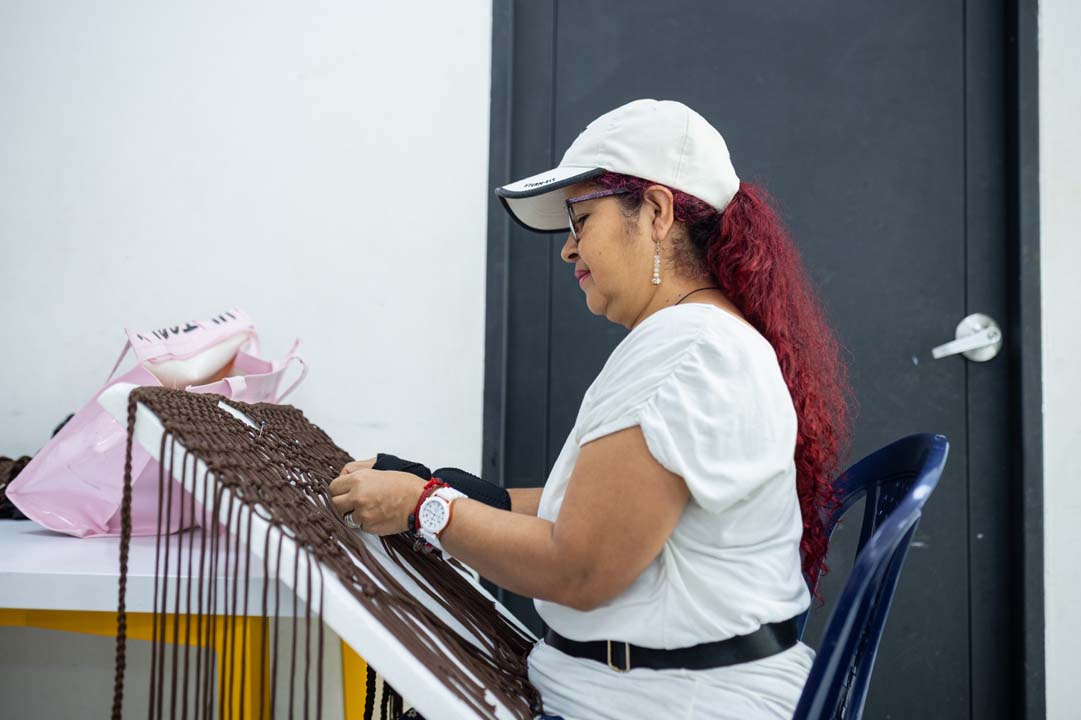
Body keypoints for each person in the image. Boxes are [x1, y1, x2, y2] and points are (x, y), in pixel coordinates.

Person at [329, 98, 853, 719]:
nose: (568, 250)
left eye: (580, 219)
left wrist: (424, 508)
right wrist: (450, 489)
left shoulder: (685, 351)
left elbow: (582, 569)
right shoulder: (704, 338)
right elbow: (602, 509)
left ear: (656, 213)